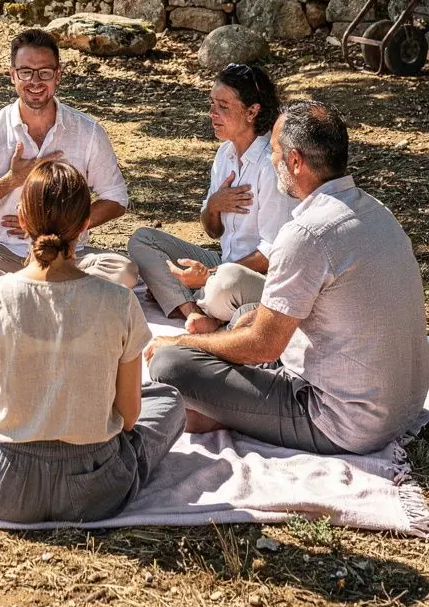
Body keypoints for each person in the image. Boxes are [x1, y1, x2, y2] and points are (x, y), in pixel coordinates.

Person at [0, 161, 185, 522]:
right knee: (168, 399)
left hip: (4, 485)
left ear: (21, 220)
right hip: (97, 489)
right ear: (85, 224)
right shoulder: (119, 300)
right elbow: (130, 417)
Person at [147, 102, 429, 455]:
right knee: (247, 313)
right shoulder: (376, 210)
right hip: (403, 406)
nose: (270, 160)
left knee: (170, 364)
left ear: (295, 161)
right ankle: (233, 406)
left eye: (274, 152)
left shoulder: (306, 234)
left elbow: (263, 346)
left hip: (345, 422)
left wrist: (183, 343)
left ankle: (229, 414)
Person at [0, 28, 137, 300]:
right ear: (13, 76)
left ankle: (6, 295)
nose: (35, 81)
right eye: (26, 72)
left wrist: (61, 228)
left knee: (123, 269)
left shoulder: (88, 131)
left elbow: (116, 199)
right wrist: (12, 180)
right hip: (3, 252)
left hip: (69, 254)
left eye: (44, 72)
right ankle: (50, 296)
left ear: (58, 75)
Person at [128, 63, 290, 331]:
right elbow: (212, 231)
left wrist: (208, 276)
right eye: (212, 104)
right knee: (142, 240)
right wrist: (214, 206)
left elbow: (272, 255)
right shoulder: (224, 154)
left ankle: (188, 296)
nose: (212, 114)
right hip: (222, 265)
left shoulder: (268, 166)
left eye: (223, 106)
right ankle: (193, 310)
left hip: (252, 277)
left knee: (224, 283)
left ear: (252, 111)